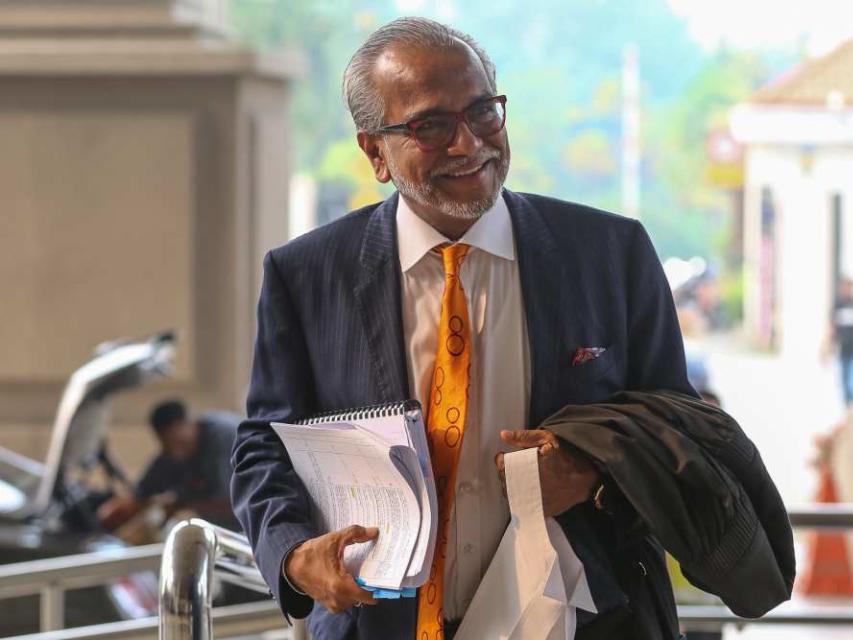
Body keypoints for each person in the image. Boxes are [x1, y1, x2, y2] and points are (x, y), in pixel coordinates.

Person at [231, 17, 792, 640]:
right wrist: (292, 555)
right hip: (379, 622)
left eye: (483, 113)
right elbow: (263, 443)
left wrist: (593, 476)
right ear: (374, 152)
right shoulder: (307, 275)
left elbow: (679, 427)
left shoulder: (610, 253)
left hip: (584, 618)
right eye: (431, 125)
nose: (469, 144)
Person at [98, 400, 240, 532]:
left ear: (189, 424)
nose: (176, 453)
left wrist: (180, 504)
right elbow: (143, 491)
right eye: (167, 446)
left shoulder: (226, 439)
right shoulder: (173, 453)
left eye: (179, 443)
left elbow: (232, 503)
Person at [829, 278, 853, 405]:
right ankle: (847, 403)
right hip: (843, 347)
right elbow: (832, 326)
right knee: (844, 377)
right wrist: (831, 343)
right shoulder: (838, 304)